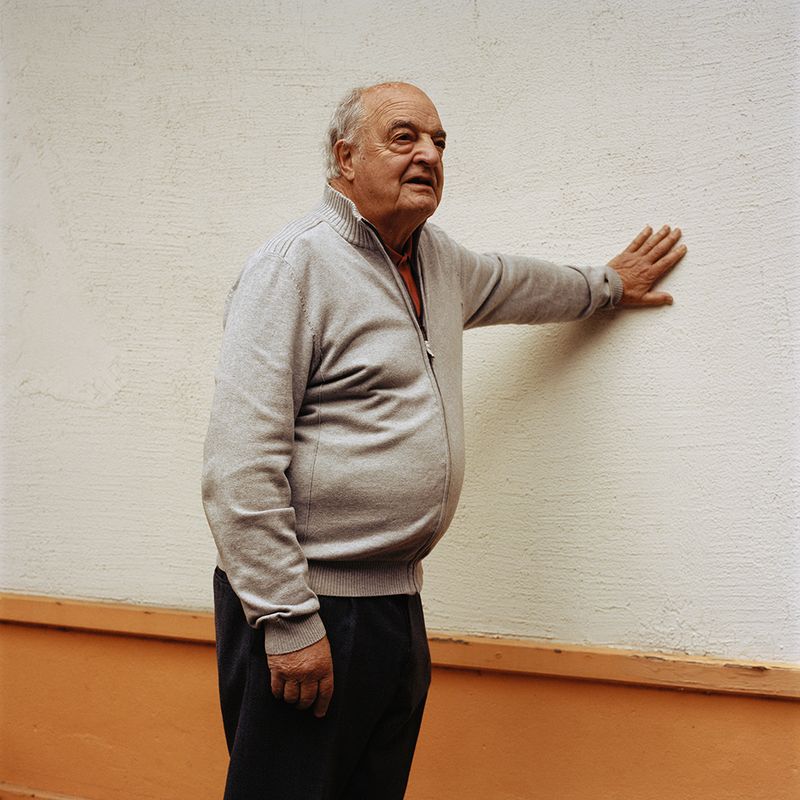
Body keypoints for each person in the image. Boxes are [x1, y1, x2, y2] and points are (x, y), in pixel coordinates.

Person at [201, 81, 686, 800]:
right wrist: (288, 620)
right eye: (404, 137)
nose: (428, 154)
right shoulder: (293, 266)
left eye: (439, 142)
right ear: (345, 157)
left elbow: (521, 284)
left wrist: (609, 284)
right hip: (309, 609)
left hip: (396, 609)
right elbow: (238, 466)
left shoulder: (436, 262)